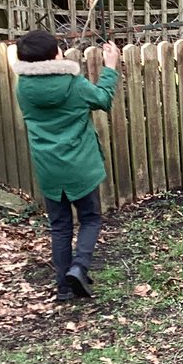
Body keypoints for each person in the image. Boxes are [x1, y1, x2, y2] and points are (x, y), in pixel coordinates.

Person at [14, 30, 120, 302]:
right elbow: (103, 99)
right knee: (90, 218)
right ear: (55, 56)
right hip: (80, 166)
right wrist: (110, 68)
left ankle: (63, 287)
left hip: (49, 169)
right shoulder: (73, 84)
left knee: (60, 226)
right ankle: (79, 266)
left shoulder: (23, 87)